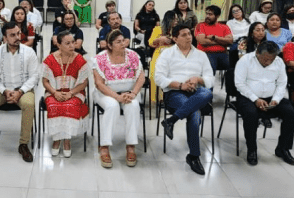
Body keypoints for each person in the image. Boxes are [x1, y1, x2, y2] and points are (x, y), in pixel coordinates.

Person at [155, 26, 214, 176]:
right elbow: (158, 78)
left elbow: (210, 79)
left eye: (189, 34)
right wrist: (181, 85)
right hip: (175, 93)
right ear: (175, 39)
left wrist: (197, 79)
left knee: (207, 92)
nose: (189, 37)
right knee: (194, 113)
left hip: (197, 91)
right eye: (184, 35)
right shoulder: (166, 54)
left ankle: (171, 121)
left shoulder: (201, 55)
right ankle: (194, 156)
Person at [0, 21, 39, 163]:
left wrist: (20, 91)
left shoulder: (29, 52)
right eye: (12, 35)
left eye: (18, 33)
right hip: (1, 89)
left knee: (29, 104)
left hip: (23, 89)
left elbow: (34, 76)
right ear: (4, 38)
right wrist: (4, 91)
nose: (17, 37)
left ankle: (23, 144)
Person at [234, 41, 294, 166]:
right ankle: (252, 149)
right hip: (248, 96)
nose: (268, 62)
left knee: (291, 114)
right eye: (265, 59)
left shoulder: (279, 62)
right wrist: (255, 99)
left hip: (271, 96)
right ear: (257, 53)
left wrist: (276, 99)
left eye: (271, 59)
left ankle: (283, 149)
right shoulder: (245, 60)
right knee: (251, 114)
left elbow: (282, 83)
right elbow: (240, 84)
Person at [93, 29, 145, 168]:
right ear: (110, 45)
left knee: (133, 106)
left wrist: (133, 93)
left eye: (123, 41)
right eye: (118, 42)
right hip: (106, 93)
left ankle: (131, 146)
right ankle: (104, 146)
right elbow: (99, 84)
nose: (123, 44)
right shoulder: (100, 58)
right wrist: (117, 97)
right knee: (112, 106)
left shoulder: (133, 55)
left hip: (129, 92)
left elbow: (141, 77)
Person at [41, 31, 90, 157]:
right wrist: (54, 92)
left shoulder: (80, 59)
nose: (72, 46)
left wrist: (71, 93)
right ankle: (57, 140)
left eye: (73, 42)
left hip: (75, 92)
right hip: (53, 92)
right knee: (54, 106)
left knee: (69, 106)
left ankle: (67, 140)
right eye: (67, 43)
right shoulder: (50, 59)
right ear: (58, 45)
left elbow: (84, 83)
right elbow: (45, 81)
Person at [194, 4, 233, 73]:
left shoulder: (224, 27)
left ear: (217, 16)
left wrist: (214, 37)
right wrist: (222, 42)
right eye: (207, 14)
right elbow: (202, 41)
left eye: (210, 14)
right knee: (210, 66)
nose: (207, 16)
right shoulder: (201, 25)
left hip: (222, 54)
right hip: (206, 53)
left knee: (233, 67)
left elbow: (230, 41)